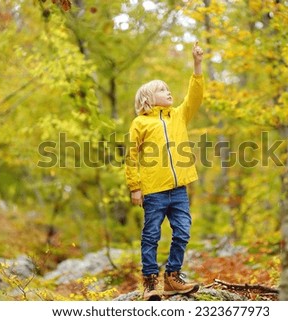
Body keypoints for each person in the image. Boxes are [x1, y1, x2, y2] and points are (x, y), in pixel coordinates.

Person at [125, 42, 204, 300]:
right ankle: (149, 282)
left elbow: (194, 96)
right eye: (162, 90)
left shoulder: (178, 116)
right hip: (154, 191)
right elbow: (131, 156)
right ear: (147, 98)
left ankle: (172, 277)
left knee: (183, 231)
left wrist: (197, 65)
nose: (168, 92)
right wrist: (135, 187)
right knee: (151, 234)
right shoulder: (140, 123)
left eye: (169, 89)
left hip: (179, 189)